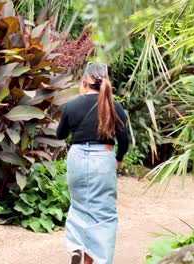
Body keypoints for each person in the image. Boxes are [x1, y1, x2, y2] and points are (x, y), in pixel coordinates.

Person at [56, 62, 129, 264]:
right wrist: (119, 160)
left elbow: (60, 134)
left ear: (84, 82)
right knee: (104, 212)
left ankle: (79, 247)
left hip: (77, 158)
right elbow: (124, 141)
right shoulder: (115, 107)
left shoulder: (72, 105)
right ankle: (99, 258)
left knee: (78, 205)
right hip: (103, 157)